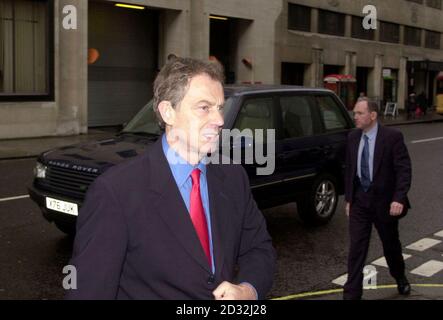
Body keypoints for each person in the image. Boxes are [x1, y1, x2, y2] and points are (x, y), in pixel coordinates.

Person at [65, 57, 276, 300]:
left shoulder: (232, 176)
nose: (219, 120)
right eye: (204, 107)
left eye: (220, 107)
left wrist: (248, 290)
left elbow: (259, 248)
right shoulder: (116, 192)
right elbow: (89, 292)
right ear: (168, 112)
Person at [343, 98, 412, 300]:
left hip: (385, 203)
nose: (354, 116)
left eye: (359, 113)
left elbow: (404, 170)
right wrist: (349, 199)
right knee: (356, 249)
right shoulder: (353, 137)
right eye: (354, 113)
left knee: (391, 245)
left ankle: (399, 276)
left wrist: (398, 198)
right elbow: (350, 171)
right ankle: (351, 295)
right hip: (360, 202)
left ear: (372, 116)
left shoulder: (392, 137)